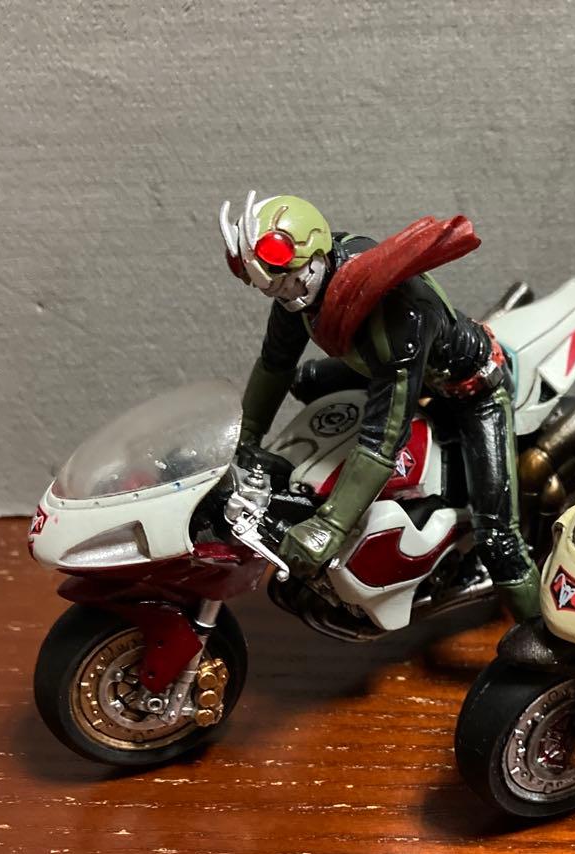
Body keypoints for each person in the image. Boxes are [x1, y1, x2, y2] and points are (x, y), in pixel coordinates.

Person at [218, 191, 539, 621]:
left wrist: (329, 527)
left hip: (470, 389)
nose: (282, 293)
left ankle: (549, 643)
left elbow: (382, 440)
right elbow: (275, 364)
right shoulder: (304, 287)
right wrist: (243, 441)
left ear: (314, 256)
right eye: (270, 288)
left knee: (498, 541)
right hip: (382, 365)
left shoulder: (397, 314)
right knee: (305, 380)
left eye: (286, 281)